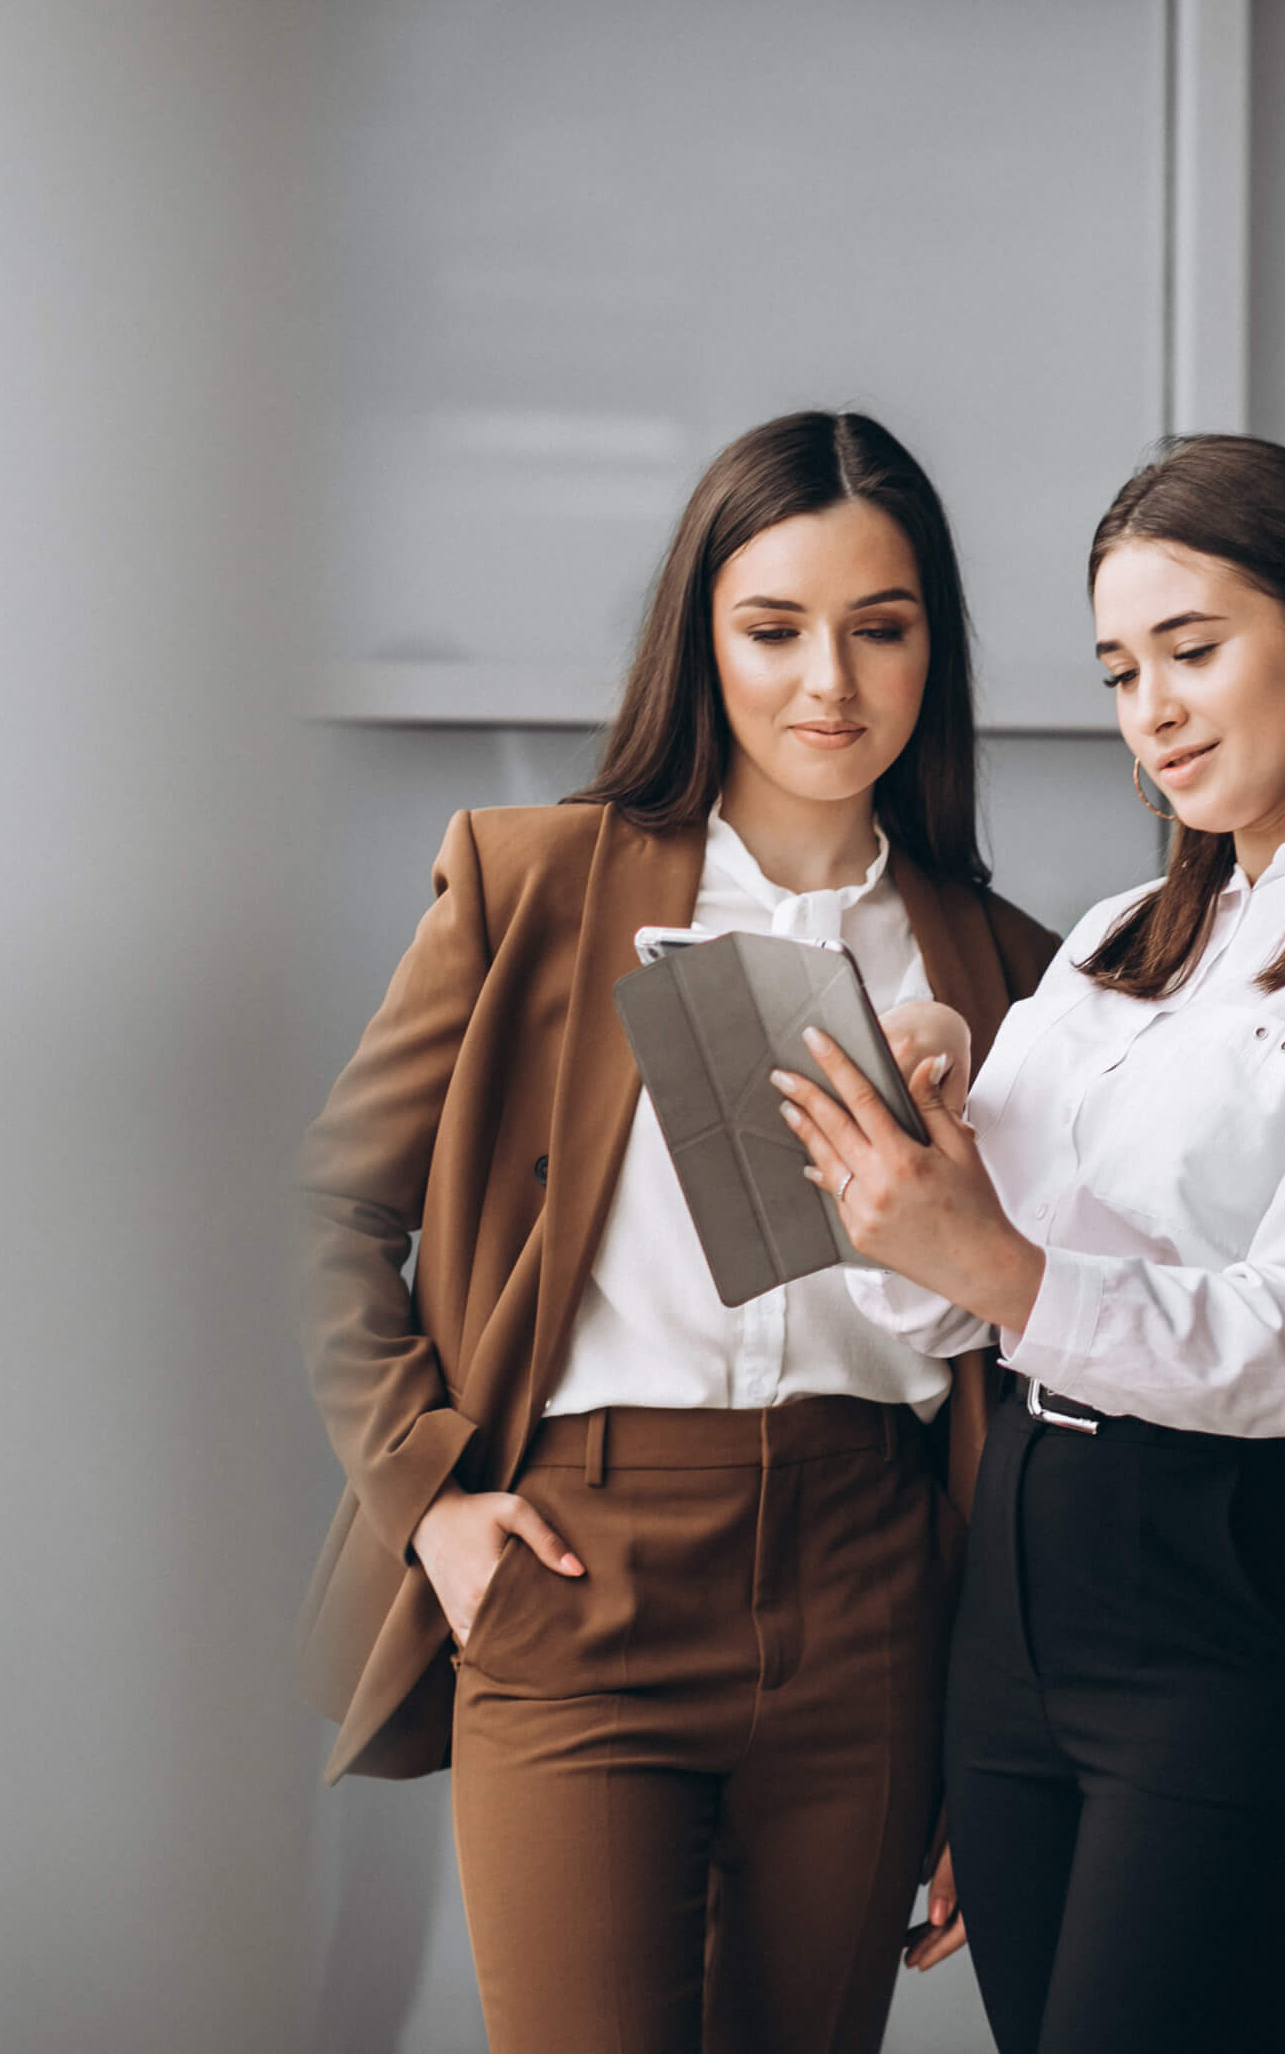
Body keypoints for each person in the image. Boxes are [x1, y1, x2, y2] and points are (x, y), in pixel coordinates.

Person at [294, 410, 1063, 2054]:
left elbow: (1030, 1336)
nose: (829, 684)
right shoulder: (536, 887)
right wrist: (432, 1499)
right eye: (773, 628)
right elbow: (326, 1211)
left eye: (882, 627)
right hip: (582, 1566)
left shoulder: (1009, 969)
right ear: (699, 639)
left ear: (938, 649)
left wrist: (988, 1719)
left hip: (874, 1588)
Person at [774, 433, 1285, 2054]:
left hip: (1242, 1582)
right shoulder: (1126, 933)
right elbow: (960, 1296)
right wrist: (925, 1128)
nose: (1153, 710)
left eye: (1193, 650)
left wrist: (985, 1250)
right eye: (1122, 670)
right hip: (1028, 1577)